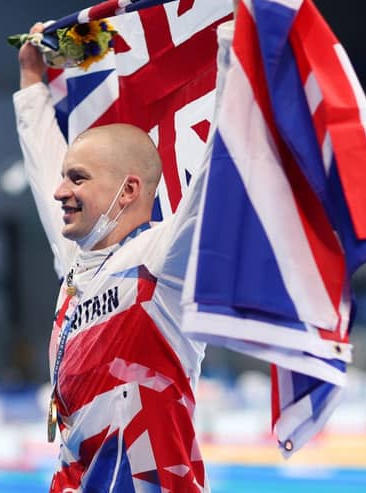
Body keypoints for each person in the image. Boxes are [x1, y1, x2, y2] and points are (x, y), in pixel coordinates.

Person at [14, 19, 234, 493]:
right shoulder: (78, 265)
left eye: (77, 179)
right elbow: (41, 170)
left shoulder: (163, 261)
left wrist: (236, 56)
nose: (59, 191)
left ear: (129, 190)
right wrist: (32, 85)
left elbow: (220, 168)